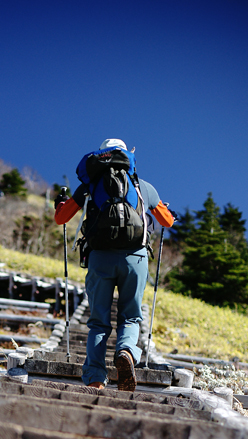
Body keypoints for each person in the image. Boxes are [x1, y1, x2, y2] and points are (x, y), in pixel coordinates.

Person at [54, 138, 175, 391]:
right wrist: (168, 213)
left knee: (98, 321)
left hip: (100, 258)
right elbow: (166, 222)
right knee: (130, 316)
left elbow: (61, 218)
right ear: (127, 156)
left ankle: (96, 379)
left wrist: (60, 204)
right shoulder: (143, 186)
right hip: (135, 257)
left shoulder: (90, 183)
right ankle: (127, 352)